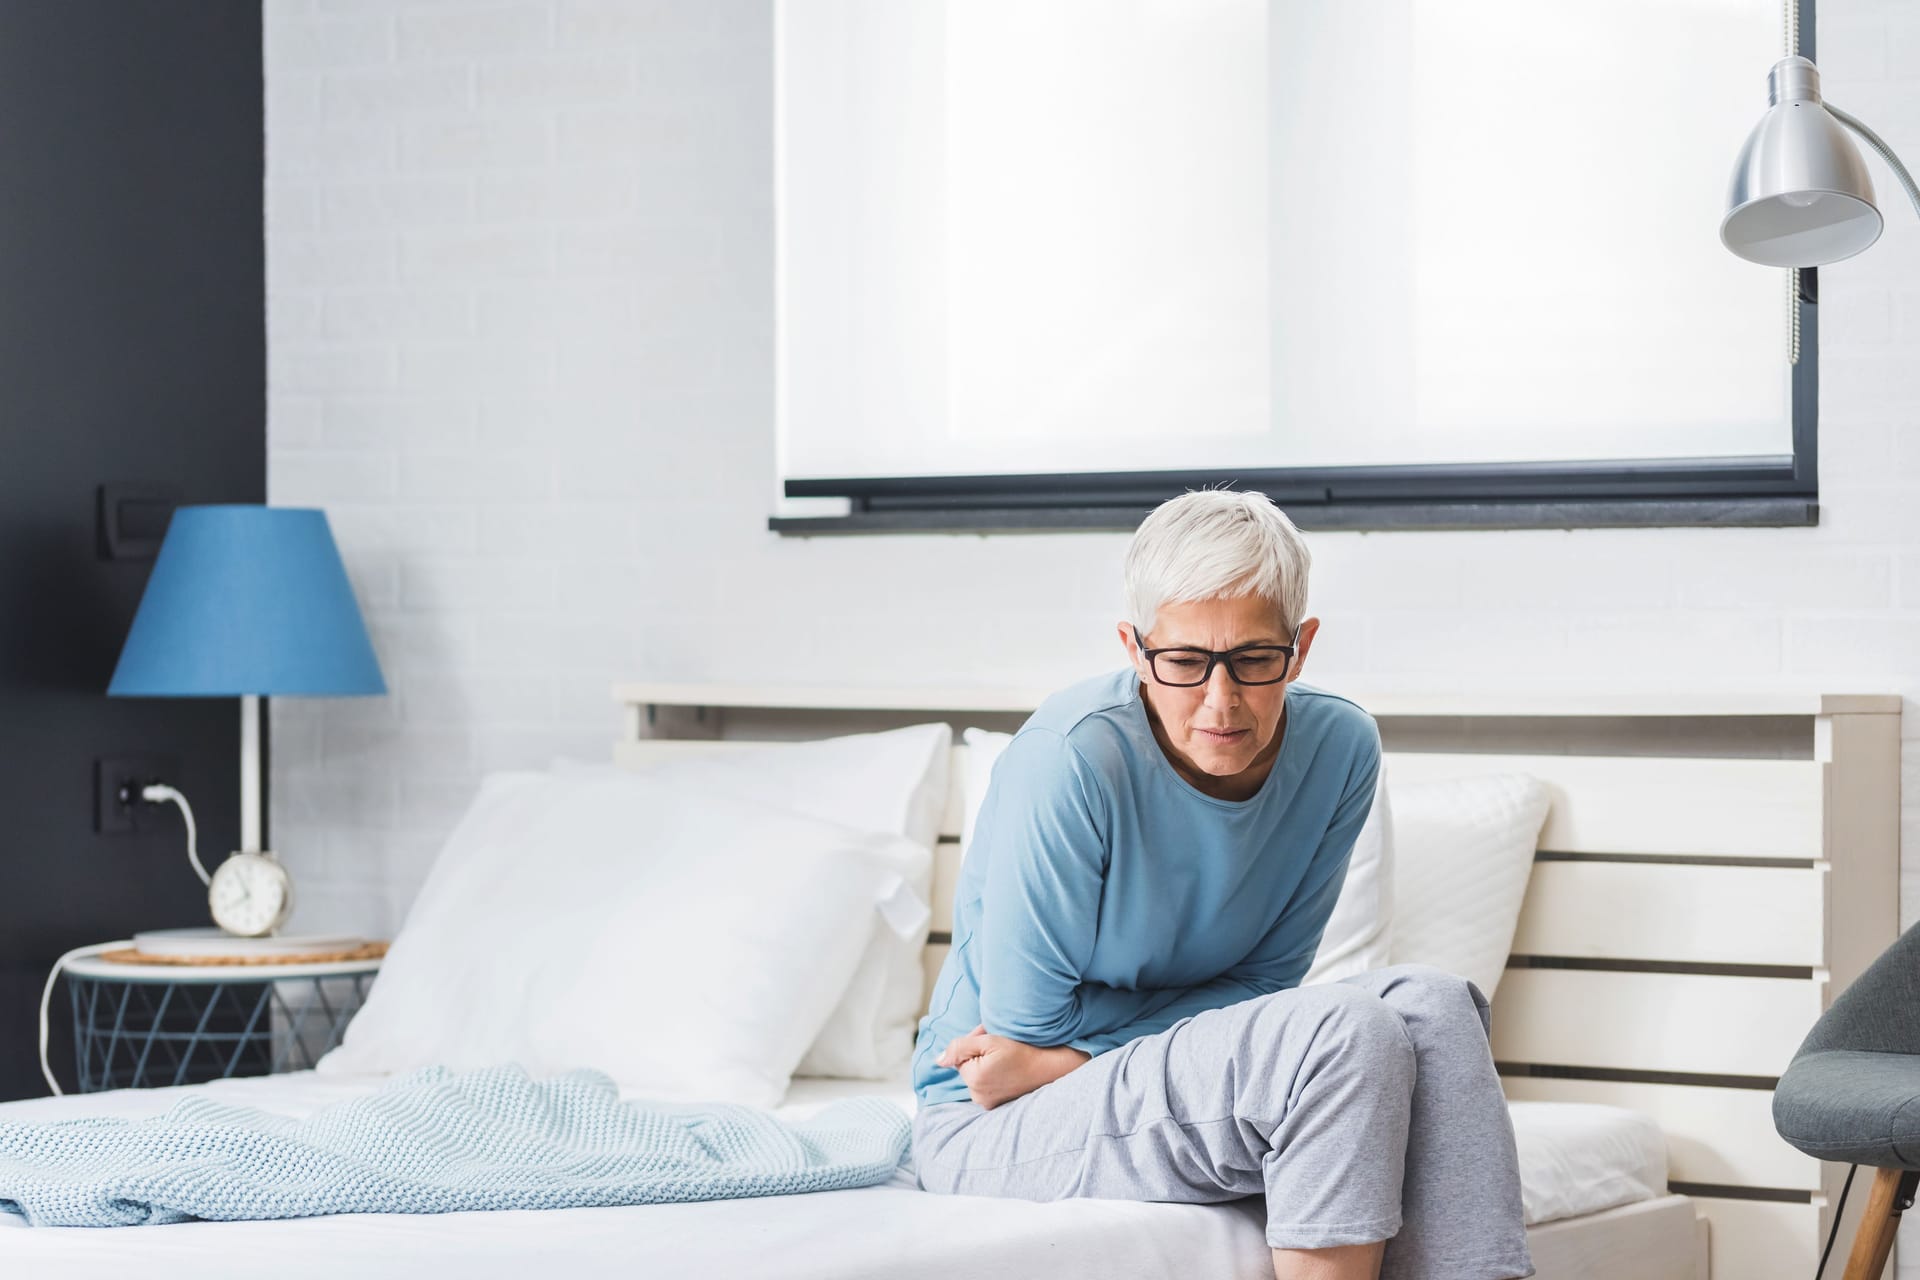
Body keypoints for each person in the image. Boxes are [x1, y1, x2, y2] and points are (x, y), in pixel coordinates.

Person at [910, 489, 1533, 1280]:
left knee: (1434, 1006)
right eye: (1183, 662)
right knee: (1343, 1034)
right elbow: (1025, 1032)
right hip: (991, 1114)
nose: (1220, 700)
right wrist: (1056, 1057)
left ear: (1299, 648)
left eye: (1253, 660)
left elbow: (1267, 983)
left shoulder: (1340, 748)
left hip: (1067, 1076)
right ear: (1135, 650)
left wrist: (1072, 1055)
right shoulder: (1070, 759)